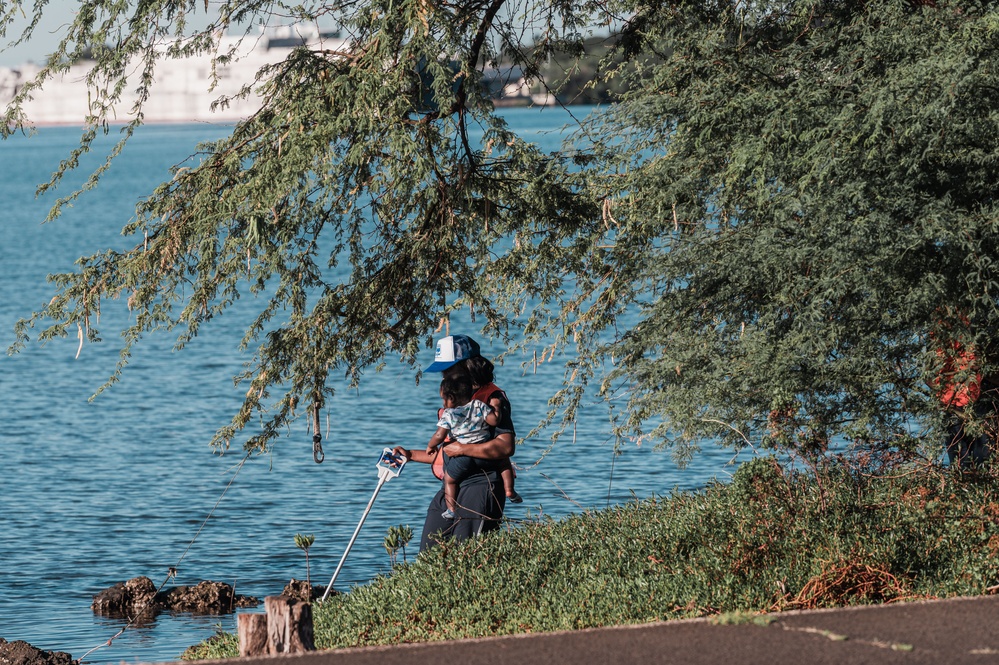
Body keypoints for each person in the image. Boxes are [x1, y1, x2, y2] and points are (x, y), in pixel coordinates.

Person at [393, 334, 516, 551]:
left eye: (448, 368)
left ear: (467, 366)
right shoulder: (455, 401)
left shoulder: (492, 400)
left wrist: (464, 449)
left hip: (481, 485)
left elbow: (506, 447)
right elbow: (448, 450)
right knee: (428, 554)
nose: (444, 374)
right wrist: (410, 455)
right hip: (452, 484)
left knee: (467, 556)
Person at [427, 373, 500, 519]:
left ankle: (451, 509)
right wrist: (496, 409)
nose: (442, 403)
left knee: (449, 479)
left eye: (443, 399)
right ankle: (510, 489)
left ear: (451, 398)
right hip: (483, 452)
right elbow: (494, 421)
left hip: (464, 457)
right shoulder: (479, 405)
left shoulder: (449, 414)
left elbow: (439, 435)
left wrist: (431, 446)